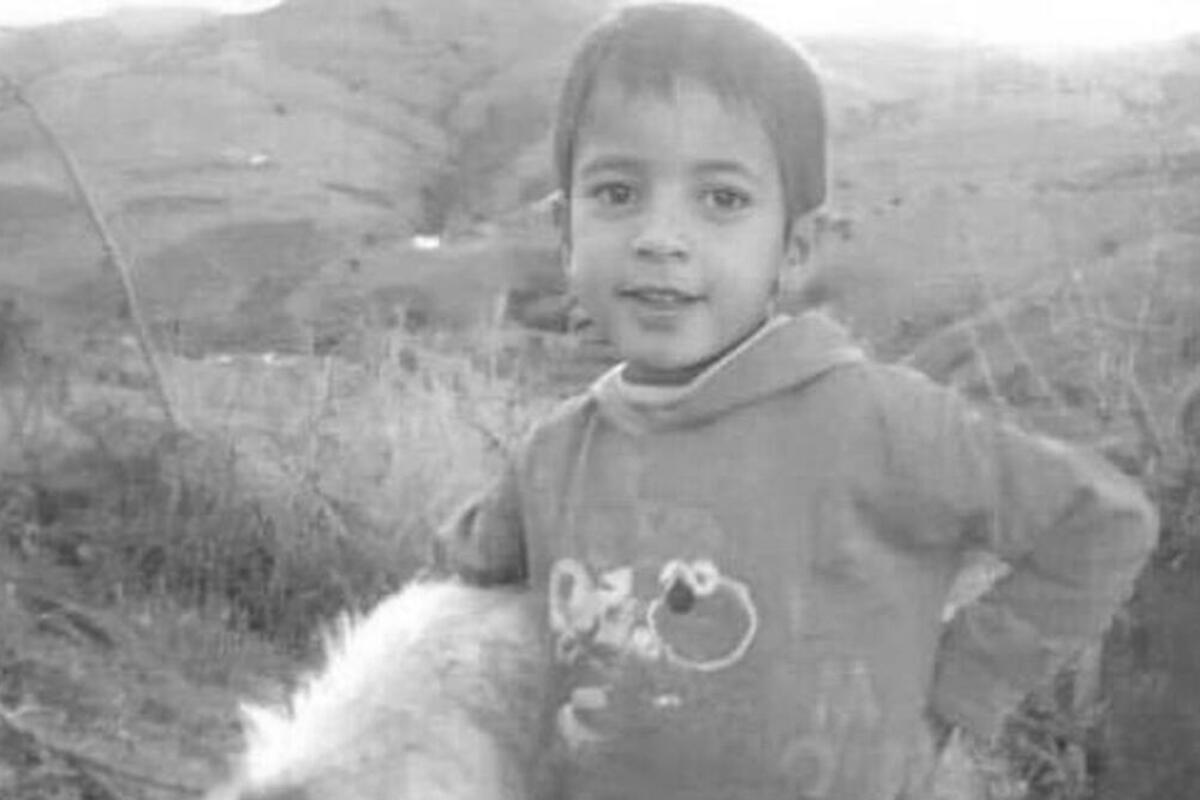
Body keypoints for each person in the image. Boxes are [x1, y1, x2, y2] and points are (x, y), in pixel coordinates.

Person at [431, 4, 1159, 799]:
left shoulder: (875, 420)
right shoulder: (553, 456)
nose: (660, 237)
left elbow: (1102, 522)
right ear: (565, 230)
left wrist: (960, 687)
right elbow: (458, 584)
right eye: (617, 191)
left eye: (721, 199)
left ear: (798, 246)